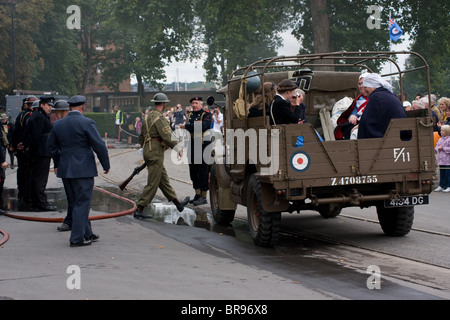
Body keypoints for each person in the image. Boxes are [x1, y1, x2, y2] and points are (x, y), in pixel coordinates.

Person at [47, 95, 111, 247]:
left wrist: (58, 162)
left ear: (69, 107)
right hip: (83, 169)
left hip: (65, 169)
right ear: (83, 107)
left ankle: (87, 232)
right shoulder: (87, 122)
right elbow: (99, 145)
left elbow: (50, 147)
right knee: (83, 203)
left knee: (76, 202)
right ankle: (76, 238)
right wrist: (105, 164)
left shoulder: (58, 124)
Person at [135, 93, 190, 218]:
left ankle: (178, 204)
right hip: (155, 152)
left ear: (155, 103)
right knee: (153, 182)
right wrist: (178, 148)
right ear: (164, 104)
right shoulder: (160, 118)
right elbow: (167, 135)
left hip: (148, 150)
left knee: (163, 179)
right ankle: (139, 208)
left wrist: (145, 149)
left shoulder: (148, 117)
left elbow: (141, 136)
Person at [23, 97, 57, 211]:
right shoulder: (39, 117)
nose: (50, 108)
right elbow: (36, 136)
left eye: (51, 106)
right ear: (42, 105)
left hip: (41, 151)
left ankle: (37, 202)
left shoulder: (40, 115)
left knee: (38, 178)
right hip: (40, 152)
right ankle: (41, 203)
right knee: (40, 179)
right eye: (48, 105)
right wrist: (33, 151)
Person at [179, 96, 212, 206]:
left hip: (203, 145)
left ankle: (203, 196)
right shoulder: (191, 115)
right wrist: (190, 126)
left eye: (196, 103)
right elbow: (194, 127)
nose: (194, 105)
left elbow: (203, 126)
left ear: (201, 104)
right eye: (193, 103)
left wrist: (187, 126)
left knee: (202, 171)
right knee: (193, 171)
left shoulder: (206, 114)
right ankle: (197, 194)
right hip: (192, 144)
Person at [358, 74, 406, 139]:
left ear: (371, 86)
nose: (365, 90)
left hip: (388, 137)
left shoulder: (375, 97)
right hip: (399, 133)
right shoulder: (390, 94)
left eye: (365, 87)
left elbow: (366, 122)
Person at [11, 96, 37, 209]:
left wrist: (15, 144)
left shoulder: (21, 115)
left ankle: (22, 192)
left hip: (20, 148)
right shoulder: (29, 116)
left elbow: (16, 131)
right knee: (28, 172)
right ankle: (27, 195)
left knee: (22, 171)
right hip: (26, 148)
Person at [335, 74, 369, 140]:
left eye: (363, 83)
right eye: (359, 84)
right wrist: (353, 115)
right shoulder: (360, 98)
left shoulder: (375, 98)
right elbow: (356, 109)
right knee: (342, 128)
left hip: (367, 123)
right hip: (358, 122)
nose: (361, 86)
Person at [434, 125, 450, 192]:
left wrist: (443, 148)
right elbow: (436, 147)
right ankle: (441, 185)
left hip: (447, 160)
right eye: (441, 130)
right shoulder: (440, 139)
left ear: (446, 132)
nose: (441, 132)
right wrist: (438, 148)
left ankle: (448, 186)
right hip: (441, 160)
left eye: (443, 131)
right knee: (442, 173)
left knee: (447, 174)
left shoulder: (449, 139)